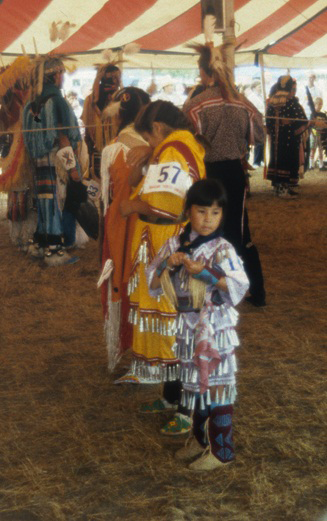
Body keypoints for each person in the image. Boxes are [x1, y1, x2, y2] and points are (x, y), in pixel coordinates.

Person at [147, 179, 249, 471]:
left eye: (215, 213)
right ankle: (201, 440)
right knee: (195, 386)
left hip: (214, 328)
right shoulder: (175, 243)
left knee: (216, 385)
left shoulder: (222, 249)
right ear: (188, 210)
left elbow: (239, 287)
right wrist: (169, 264)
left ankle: (222, 451)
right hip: (188, 326)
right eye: (202, 211)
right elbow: (153, 283)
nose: (208, 220)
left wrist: (205, 273)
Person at [118, 100, 206, 435]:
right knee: (170, 325)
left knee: (177, 328)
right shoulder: (176, 147)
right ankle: (171, 398)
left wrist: (132, 205)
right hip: (162, 246)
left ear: (157, 128)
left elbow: (169, 205)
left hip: (169, 246)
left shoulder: (173, 149)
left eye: (149, 139)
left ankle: (187, 408)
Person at [184, 43, 266, 307]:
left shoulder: (196, 104)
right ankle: (255, 291)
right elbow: (261, 132)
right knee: (239, 230)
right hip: (235, 171)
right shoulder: (242, 103)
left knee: (206, 227)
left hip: (208, 173)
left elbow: (185, 139)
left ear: (202, 71)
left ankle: (212, 290)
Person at [98, 87, 150, 372]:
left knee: (122, 279)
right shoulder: (156, 146)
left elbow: (104, 199)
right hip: (151, 229)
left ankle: (128, 349)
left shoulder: (112, 150)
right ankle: (150, 350)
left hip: (120, 227)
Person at [23, 56, 82, 265]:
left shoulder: (31, 105)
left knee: (44, 202)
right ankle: (55, 251)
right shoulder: (57, 102)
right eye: (62, 74)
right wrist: (72, 167)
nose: (63, 78)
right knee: (55, 202)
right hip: (55, 161)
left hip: (38, 161)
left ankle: (40, 244)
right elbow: (64, 136)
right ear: (56, 76)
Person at [0, 56, 36, 251]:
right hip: (14, 152)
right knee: (19, 191)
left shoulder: (25, 99)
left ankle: (24, 235)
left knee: (24, 191)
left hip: (21, 151)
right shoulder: (13, 102)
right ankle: (22, 236)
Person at [266, 75, 309, 197]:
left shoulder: (272, 102)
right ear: (289, 89)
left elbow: (268, 124)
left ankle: (278, 187)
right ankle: (283, 189)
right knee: (286, 161)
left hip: (276, 140)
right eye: (292, 89)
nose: (293, 92)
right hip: (289, 140)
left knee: (277, 160)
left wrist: (277, 124)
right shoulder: (292, 103)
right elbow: (303, 121)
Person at [81, 61, 122, 180]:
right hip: (104, 149)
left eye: (116, 78)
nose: (115, 81)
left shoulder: (119, 98)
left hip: (106, 149)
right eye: (113, 78)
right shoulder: (93, 100)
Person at [308, 97, 327, 171]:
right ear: (315, 104)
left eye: (321, 104)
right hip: (314, 134)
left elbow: (325, 124)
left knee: (321, 150)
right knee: (313, 149)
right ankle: (311, 165)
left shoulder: (323, 115)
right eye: (319, 104)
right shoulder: (313, 114)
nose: (320, 106)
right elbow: (311, 124)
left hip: (321, 134)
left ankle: (321, 165)